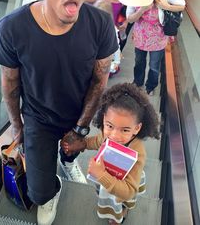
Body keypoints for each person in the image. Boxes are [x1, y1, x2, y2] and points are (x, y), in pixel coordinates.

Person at [0, 0, 118, 225]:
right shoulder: (12, 29)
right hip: (38, 119)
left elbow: (100, 80)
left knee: (71, 152)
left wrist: (81, 130)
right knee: (38, 194)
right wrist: (17, 126)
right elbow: (10, 83)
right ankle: (53, 185)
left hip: (79, 115)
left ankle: (67, 160)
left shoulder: (100, 25)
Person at [62, 82, 160, 224]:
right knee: (107, 196)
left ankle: (122, 212)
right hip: (105, 175)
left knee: (119, 201)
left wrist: (101, 175)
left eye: (125, 130)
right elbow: (99, 141)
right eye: (109, 126)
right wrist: (82, 144)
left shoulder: (138, 153)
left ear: (137, 128)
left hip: (124, 182)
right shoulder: (106, 134)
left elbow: (128, 191)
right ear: (103, 119)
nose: (114, 135)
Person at [112, 0, 185, 95]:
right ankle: (138, 83)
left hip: (158, 36)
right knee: (139, 61)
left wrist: (165, 6)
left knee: (154, 65)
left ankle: (150, 86)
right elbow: (130, 18)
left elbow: (182, 5)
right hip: (140, 35)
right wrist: (142, 10)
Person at [93, 0, 121, 77]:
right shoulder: (92, 27)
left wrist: (117, 61)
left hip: (105, 58)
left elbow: (116, 47)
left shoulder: (112, 29)